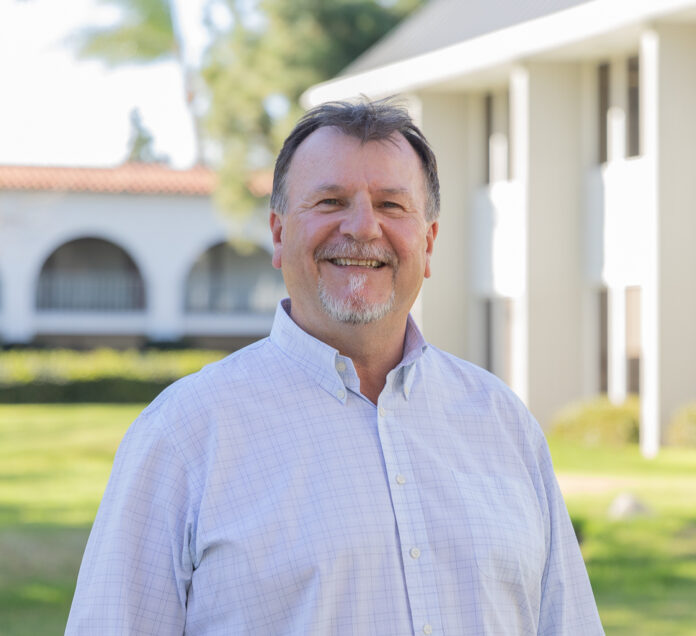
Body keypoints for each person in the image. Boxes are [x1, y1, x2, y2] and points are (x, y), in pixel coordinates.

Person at [66, 98, 604, 635]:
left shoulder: (504, 424)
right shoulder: (182, 436)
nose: (363, 227)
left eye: (391, 205)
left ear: (428, 242)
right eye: (330, 201)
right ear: (279, 234)